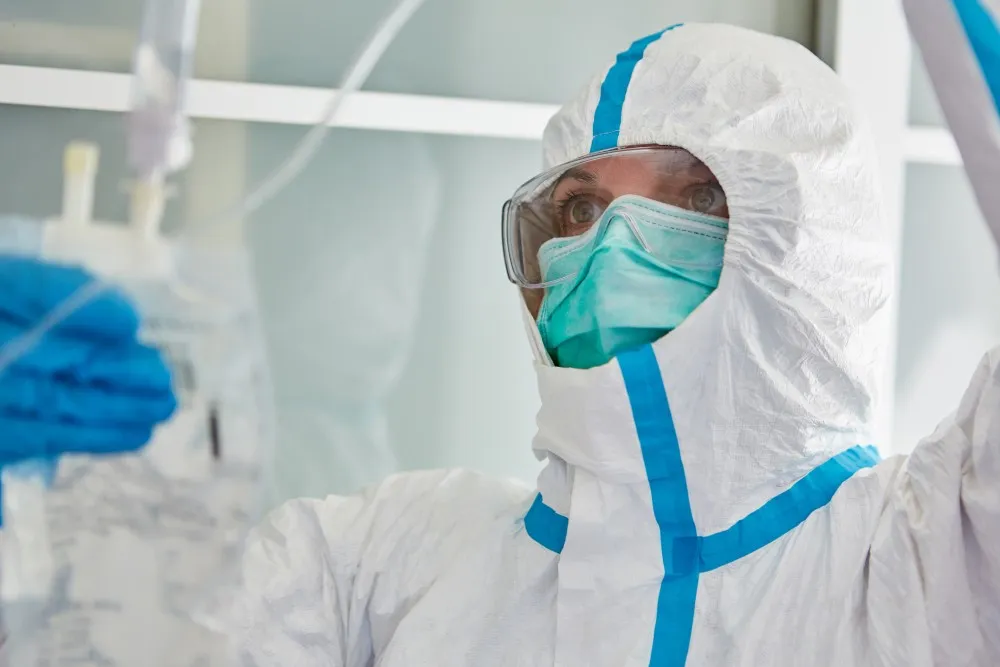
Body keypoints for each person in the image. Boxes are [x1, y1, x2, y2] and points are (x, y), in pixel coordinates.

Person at [1, 21, 998, 666]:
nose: (601, 243)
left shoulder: (924, 565)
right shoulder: (393, 568)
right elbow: (122, 636)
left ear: (806, 245)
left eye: (691, 197)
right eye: (574, 206)